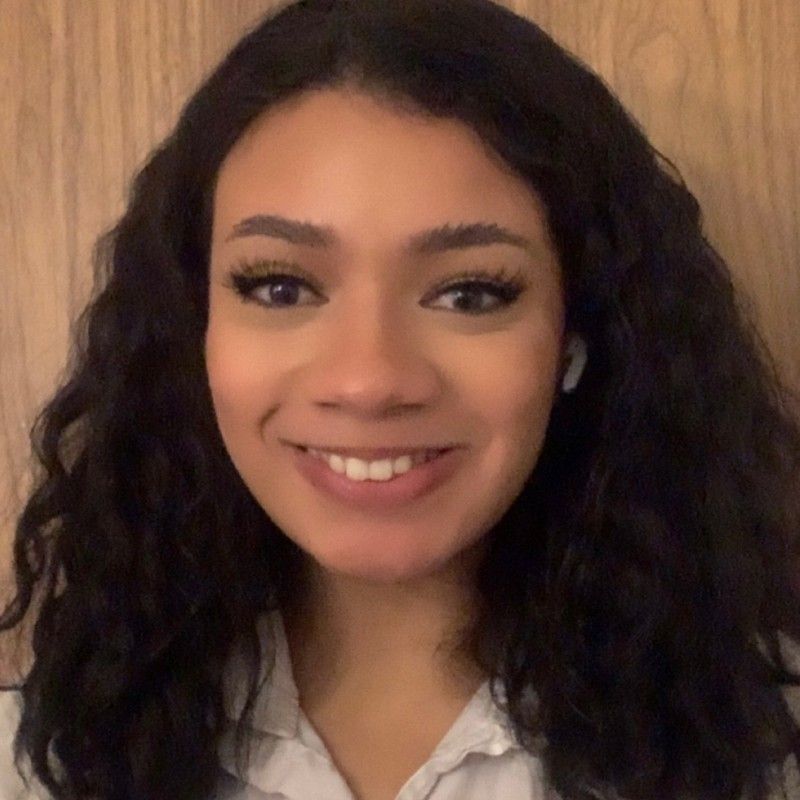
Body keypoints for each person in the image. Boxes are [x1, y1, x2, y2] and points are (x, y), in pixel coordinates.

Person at [2, 0, 800, 798]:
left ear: (577, 341)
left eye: (470, 294)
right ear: (195, 332)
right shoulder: (35, 762)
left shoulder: (767, 750)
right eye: (280, 285)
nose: (369, 379)